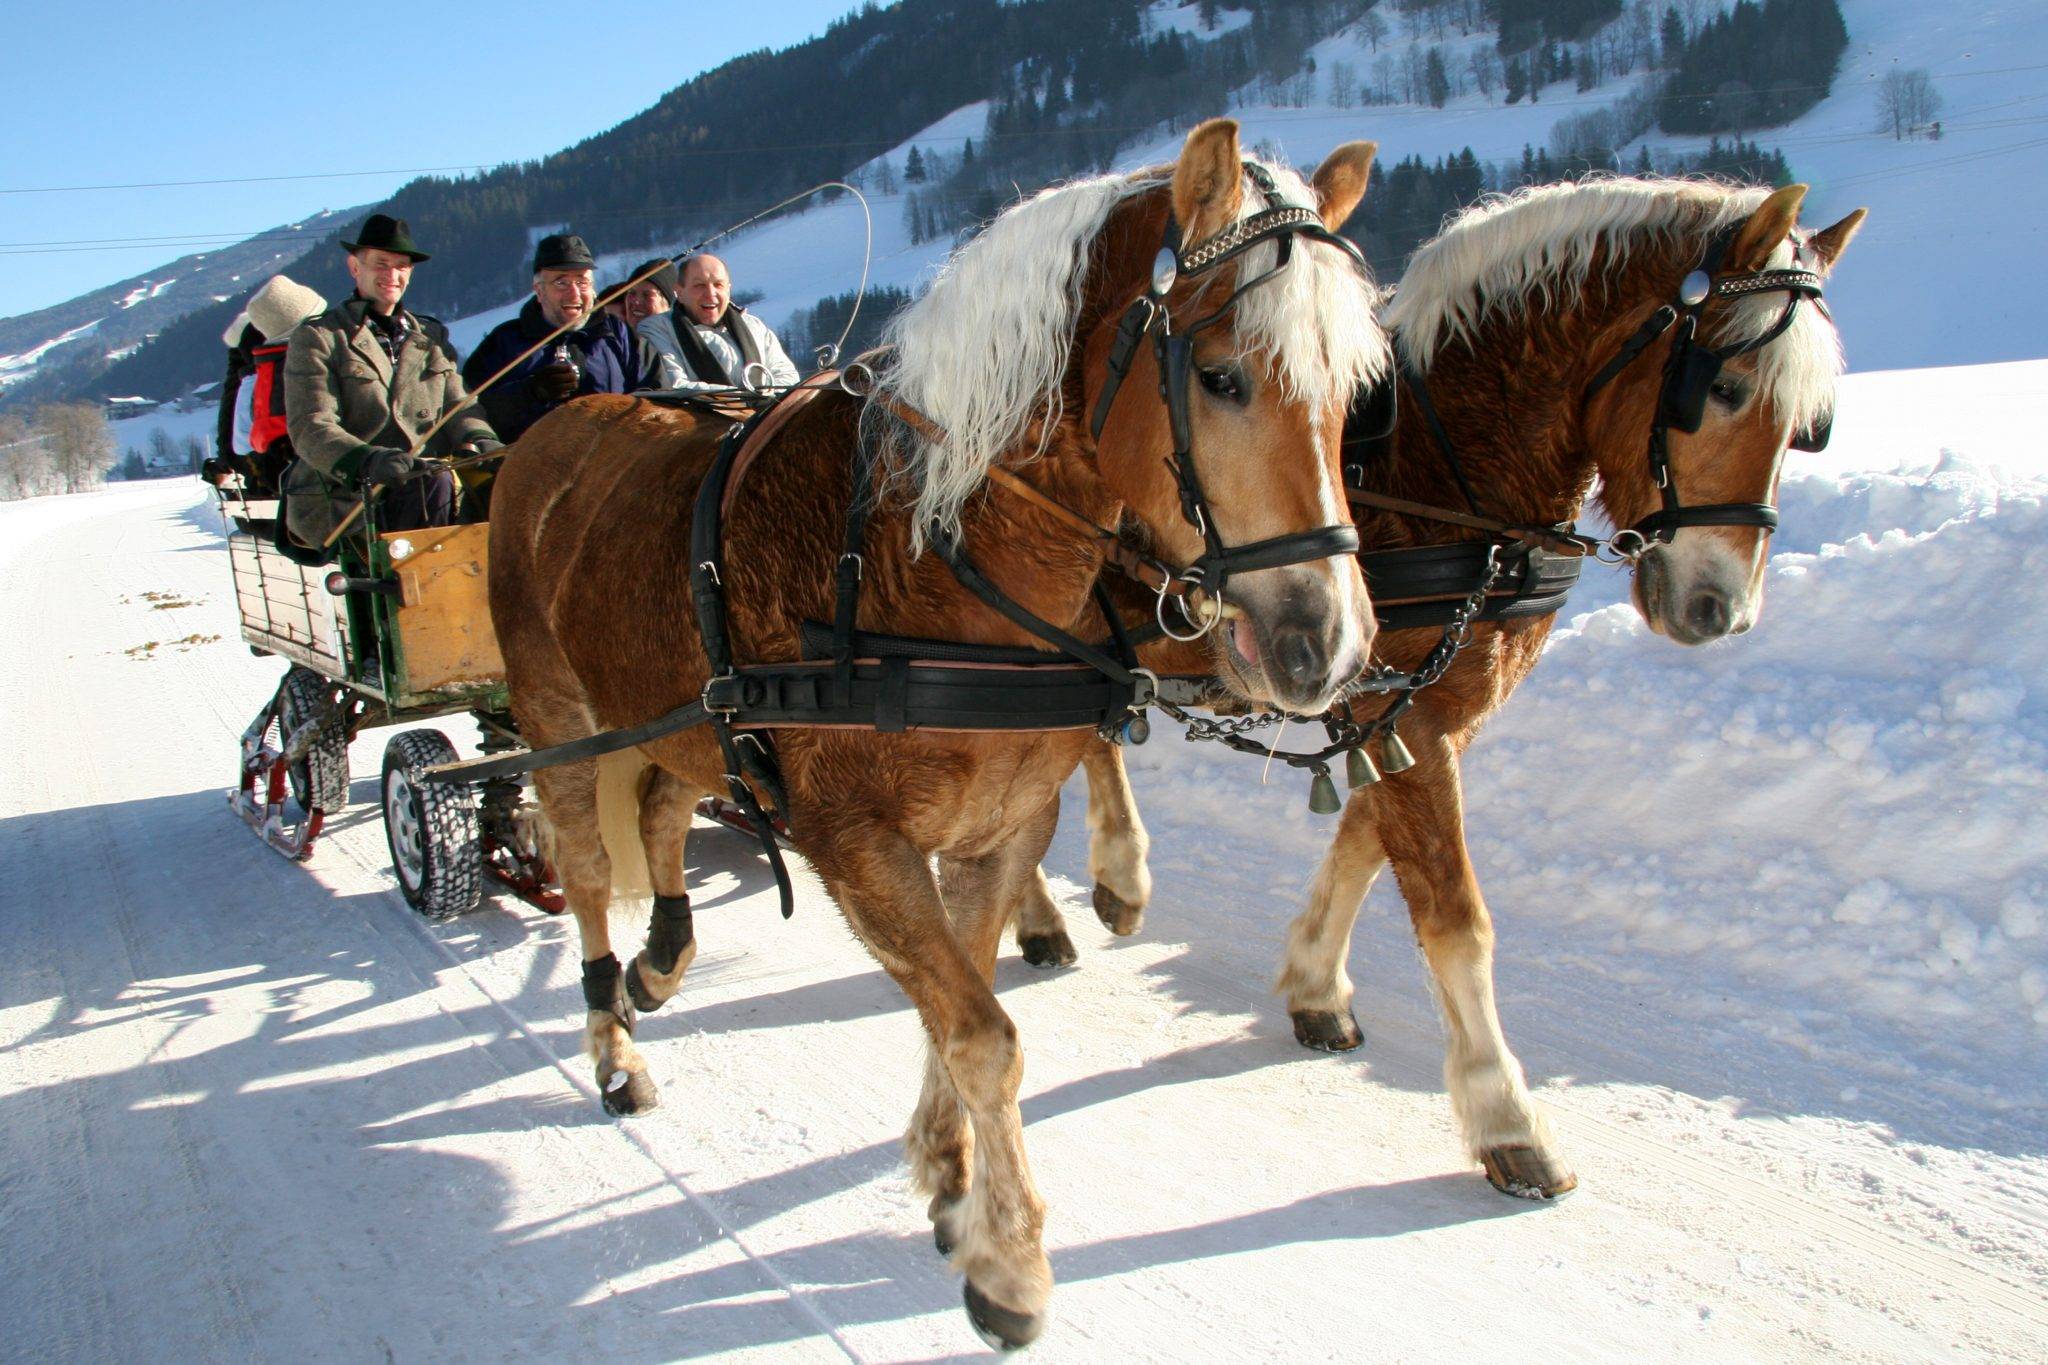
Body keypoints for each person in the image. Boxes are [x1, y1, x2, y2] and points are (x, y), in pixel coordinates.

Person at [281, 214, 499, 550]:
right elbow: (311, 426)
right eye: (381, 264)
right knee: (431, 482)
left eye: (402, 266)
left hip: (429, 487)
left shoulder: (429, 337)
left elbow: (459, 405)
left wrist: (482, 440)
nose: (392, 275)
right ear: (355, 267)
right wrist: (367, 461)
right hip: (351, 497)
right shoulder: (319, 337)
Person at [461, 233, 664, 447]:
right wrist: (532, 392)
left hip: (611, 460)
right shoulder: (505, 342)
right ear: (539, 291)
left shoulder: (618, 334)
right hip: (532, 465)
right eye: (561, 282)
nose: (574, 293)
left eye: (582, 282)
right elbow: (473, 413)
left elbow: (655, 394)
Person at [639, 253, 800, 395]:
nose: (710, 293)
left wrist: (761, 398)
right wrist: (745, 397)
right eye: (699, 285)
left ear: (728, 290)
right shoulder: (658, 329)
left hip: (762, 423)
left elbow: (788, 377)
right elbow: (675, 385)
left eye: (718, 285)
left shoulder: (754, 327)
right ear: (679, 292)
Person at [618, 258, 676, 331]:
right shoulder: (618, 338)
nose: (636, 301)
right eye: (632, 293)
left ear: (667, 305)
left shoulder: (678, 340)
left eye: (647, 295)